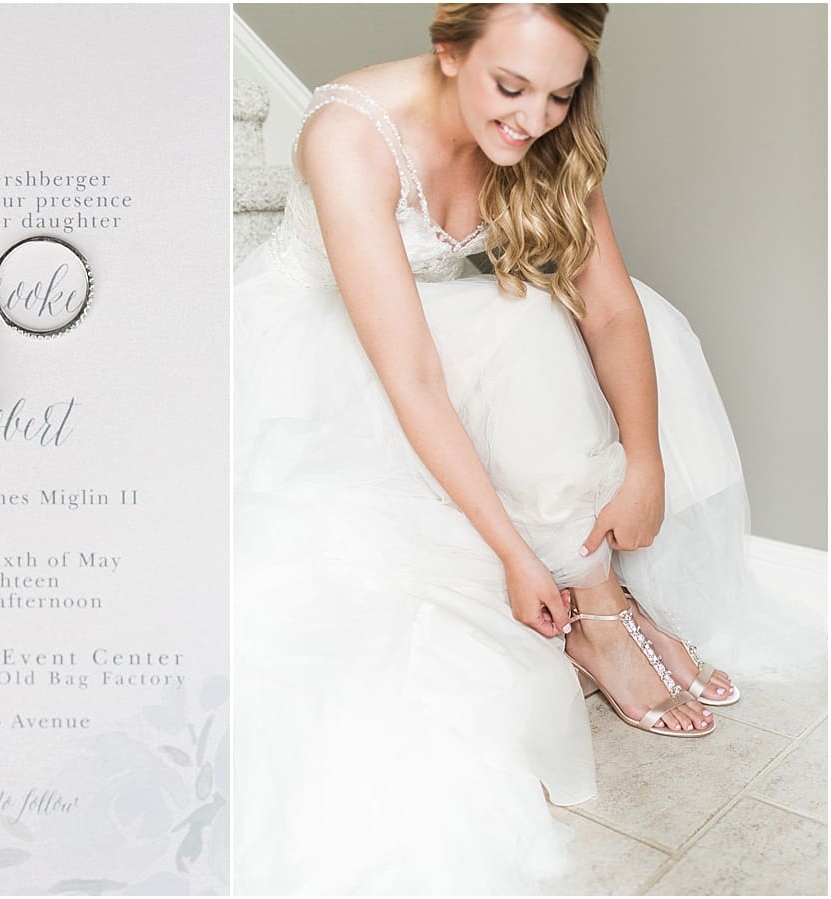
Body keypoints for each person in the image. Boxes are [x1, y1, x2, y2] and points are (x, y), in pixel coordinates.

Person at [233, 3, 792, 893]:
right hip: (329, 343)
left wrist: (644, 462)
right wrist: (511, 552)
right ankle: (598, 615)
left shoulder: (547, 134)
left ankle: (609, 600)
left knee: (582, 325)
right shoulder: (350, 133)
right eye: (510, 87)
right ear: (450, 51)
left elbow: (611, 307)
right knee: (520, 326)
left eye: (558, 96)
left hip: (427, 322)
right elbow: (410, 372)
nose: (532, 119)